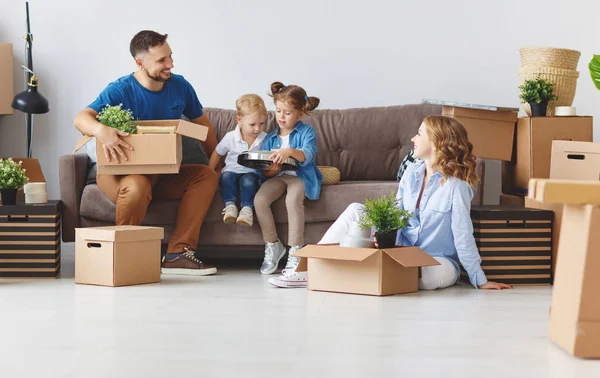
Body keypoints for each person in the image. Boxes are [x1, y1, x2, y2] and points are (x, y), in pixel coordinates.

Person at [269, 115, 513, 290]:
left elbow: (463, 235)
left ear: (437, 142)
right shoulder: (412, 173)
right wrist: (383, 233)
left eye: (419, 133)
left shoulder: (456, 187)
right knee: (356, 210)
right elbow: (396, 211)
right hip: (399, 251)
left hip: (435, 260)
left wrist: (479, 279)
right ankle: (308, 267)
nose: (412, 138)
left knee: (436, 276)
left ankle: (359, 275)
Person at [74, 30, 219, 276]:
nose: (170, 64)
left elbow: (203, 128)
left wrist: (218, 164)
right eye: (162, 60)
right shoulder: (120, 89)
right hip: (121, 172)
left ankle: (177, 254)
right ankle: (123, 256)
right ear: (140, 63)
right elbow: (81, 118)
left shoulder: (180, 86)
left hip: (163, 171)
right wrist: (102, 130)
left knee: (206, 176)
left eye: (170, 56)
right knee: (138, 185)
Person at [253, 82, 322, 276]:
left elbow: (308, 154)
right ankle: (273, 245)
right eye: (278, 111)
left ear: (300, 113)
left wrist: (289, 151)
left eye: (288, 113)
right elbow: (265, 172)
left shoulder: (306, 132)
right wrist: (271, 170)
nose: (282, 117)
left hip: (300, 176)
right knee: (260, 200)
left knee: (292, 201)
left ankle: (295, 250)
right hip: (279, 176)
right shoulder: (270, 138)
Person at [208, 94, 268, 227]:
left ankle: (247, 209)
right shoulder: (230, 137)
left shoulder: (265, 139)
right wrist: (210, 172)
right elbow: (217, 153)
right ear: (239, 120)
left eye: (262, 123)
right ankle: (230, 206)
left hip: (251, 172)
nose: (257, 129)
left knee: (248, 181)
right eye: (252, 124)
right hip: (231, 170)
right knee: (226, 178)